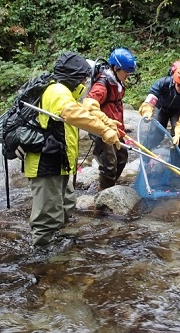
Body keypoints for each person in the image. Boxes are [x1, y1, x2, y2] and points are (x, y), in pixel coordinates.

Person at [24, 51, 122, 249]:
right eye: (83, 78)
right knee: (48, 212)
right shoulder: (57, 91)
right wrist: (104, 131)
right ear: (73, 77)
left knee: (66, 203)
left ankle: (60, 242)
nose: (86, 82)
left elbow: (83, 110)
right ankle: (42, 254)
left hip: (59, 160)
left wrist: (105, 120)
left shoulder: (65, 93)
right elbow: (72, 113)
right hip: (45, 162)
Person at [82, 47, 137, 190]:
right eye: (126, 72)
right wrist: (105, 121)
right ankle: (104, 194)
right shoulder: (102, 84)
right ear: (115, 68)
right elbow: (88, 104)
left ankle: (108, 187)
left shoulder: (117, 81)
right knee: (109, 164)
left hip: (115, 127)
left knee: (122, 156)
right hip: (102, 128)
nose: (128, 75)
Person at [138, 61, 180, 153]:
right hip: (161, 107)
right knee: (156, 133)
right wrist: (147, 111)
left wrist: (178, 133)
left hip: (176, 111)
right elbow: (152, 96)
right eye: (179, 85)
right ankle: (146, 153)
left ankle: (176, 161)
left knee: (178, 136)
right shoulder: (163, 83)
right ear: (175, 80)